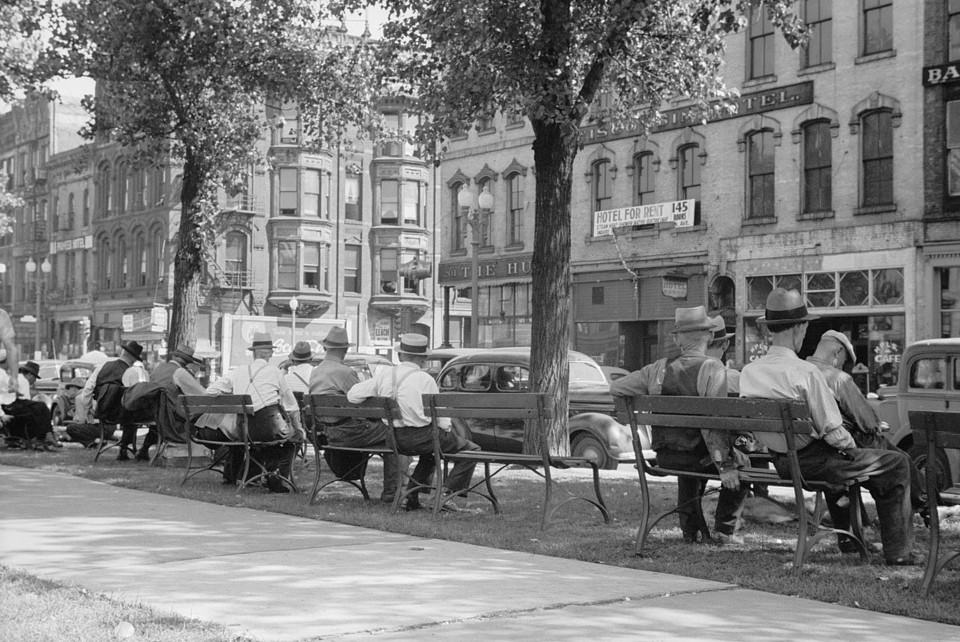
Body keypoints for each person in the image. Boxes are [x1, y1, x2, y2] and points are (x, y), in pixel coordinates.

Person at [739, 288, 917, 565]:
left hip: (783, 463)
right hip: (816, 464)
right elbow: (833, 431)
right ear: (800, 327)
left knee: (855, 461)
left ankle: (850, 537)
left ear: (769, 329)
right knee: (896, 464)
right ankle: (899, 552)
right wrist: (855, 447)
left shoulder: (749, 372)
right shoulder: (805, 373)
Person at [611, 306, 748, 545]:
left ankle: (691, 529)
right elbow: (713, 424)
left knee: (688, 454)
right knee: (743, 463)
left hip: (666, 456)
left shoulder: (657, 369)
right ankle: (725, 530)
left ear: (676, 338)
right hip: (700, 457)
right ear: (708, 336)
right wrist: (725, 466)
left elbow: (617, 388)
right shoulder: (713, 369)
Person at [347, 333, 479, 511]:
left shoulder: (384, 375)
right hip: (423, 436)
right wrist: (447, 431)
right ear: (423, 358)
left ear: (400, 356)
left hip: (393, 438)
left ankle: (411, 496)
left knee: (431, 453)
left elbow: (353, 395)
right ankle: (446, 496)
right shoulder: (425, 379)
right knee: (472, 450)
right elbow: (442, 420)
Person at [806, 329, 927, 522]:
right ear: (837, 353)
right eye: (845, 361)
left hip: (809, 454)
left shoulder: (798, 371)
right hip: (842, 451)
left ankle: (856, 529)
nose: (844, 367)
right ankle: (925, 504)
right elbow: (866, 421)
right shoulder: (837, 378)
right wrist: (877, 424)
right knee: (897, 460)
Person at [308, 326, 405, 503]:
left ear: (325, 348)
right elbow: (364, 404)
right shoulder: (345, 372)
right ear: (345, 349)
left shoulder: (315, 372)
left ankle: (393, 490)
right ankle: (392, 491)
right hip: (352, 432)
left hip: (329, 434)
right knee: (396, 434)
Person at [202, 332, 304, 493]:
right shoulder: (275, 372)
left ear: (253, 352)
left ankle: (254, 474)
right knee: (293, 438)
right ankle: (277, 476)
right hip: (271, 428)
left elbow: (211, 390)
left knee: (263, 442)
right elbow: (292, 406)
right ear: (269, 353)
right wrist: (299, 428)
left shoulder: (238, 371)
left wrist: (233, 395)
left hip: (244, 430)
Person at [81, 341, 148, 460]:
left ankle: (124, 446)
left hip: (102, 412)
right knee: (133, 411)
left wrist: (88, 410)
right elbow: (136, 397)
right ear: (134, 359)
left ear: (123, 352)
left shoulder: (102, 366)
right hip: (124, 415)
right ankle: (125, 446)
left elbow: (87, 390)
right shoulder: (132, 372)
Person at [141, 344, 208, 462]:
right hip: (175, 419)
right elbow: (202, 395)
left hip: (158, 415)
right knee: (207, 415)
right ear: (188, 361)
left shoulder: (159, 368)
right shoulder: (180, 372)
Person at [0, 361, 58, 450]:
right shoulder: (23, 380)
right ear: (30, 375)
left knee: (36, 411)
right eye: (35, 378)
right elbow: (24, 401)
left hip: (6, 406)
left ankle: (45, 435)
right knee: (41, 407)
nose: (34, 381)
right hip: (12, 406)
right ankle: (46, 435)